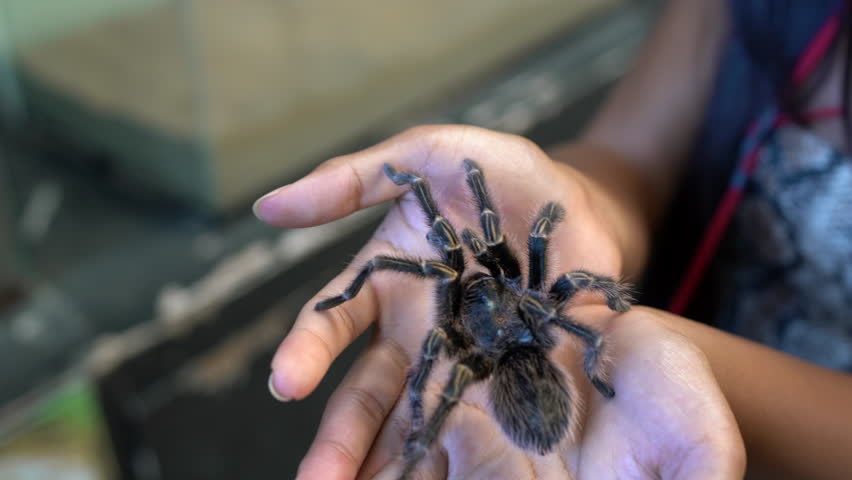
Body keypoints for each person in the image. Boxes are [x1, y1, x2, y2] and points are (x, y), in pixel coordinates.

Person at [254, 0, 852, 478]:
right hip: (564, 346)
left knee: (448, 341)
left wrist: (663, 348)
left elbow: (462, 322)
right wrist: (579, 195)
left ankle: (419, 442)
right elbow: (626, 161)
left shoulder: (463, 332)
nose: (479, 271)